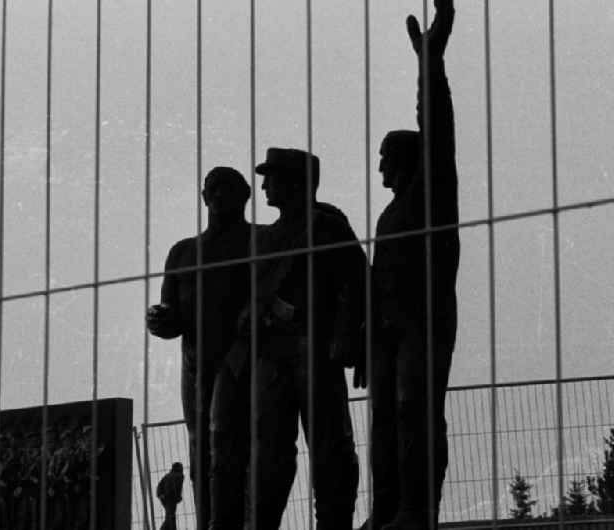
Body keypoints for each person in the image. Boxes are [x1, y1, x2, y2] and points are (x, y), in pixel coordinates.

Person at [213, 147, 364, 529]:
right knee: (268, 455)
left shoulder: (326, 226)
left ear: (297, 182)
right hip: (270, 356)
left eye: (272, 177)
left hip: (314, 349)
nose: (264, 185)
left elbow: (358, 283)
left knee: (330, 447)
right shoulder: (263, 239)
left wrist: (346, 336)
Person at [365, 1, 460, 529]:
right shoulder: (390, 214)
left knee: (413, 412)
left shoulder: (432, 194)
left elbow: (439, 130)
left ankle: (415, 510)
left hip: (424, 327)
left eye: (385, 155)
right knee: (383, 422)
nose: (379, 165)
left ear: (407, 159)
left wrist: (431, 64)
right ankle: (386, 509)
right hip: (386, 331)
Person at [146, 166, 253, 529]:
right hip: (196, 366)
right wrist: (160, 320)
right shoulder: (182, 253)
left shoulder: (259, 242)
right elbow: (171, 312)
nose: (220, 196)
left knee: (240, 451)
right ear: (204, 197)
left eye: (228, 189)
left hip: (244, 363)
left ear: (245, 196)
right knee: (200, 452)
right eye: (214, 189)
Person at [156, 462, 185, 530]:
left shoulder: (168, 475)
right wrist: (177, 497)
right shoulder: (178, 476)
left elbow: (160, 486)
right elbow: (175, 488)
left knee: (169, 515)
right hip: (170, 497)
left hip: (165, 497)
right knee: (170, 516)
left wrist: (161, 495)